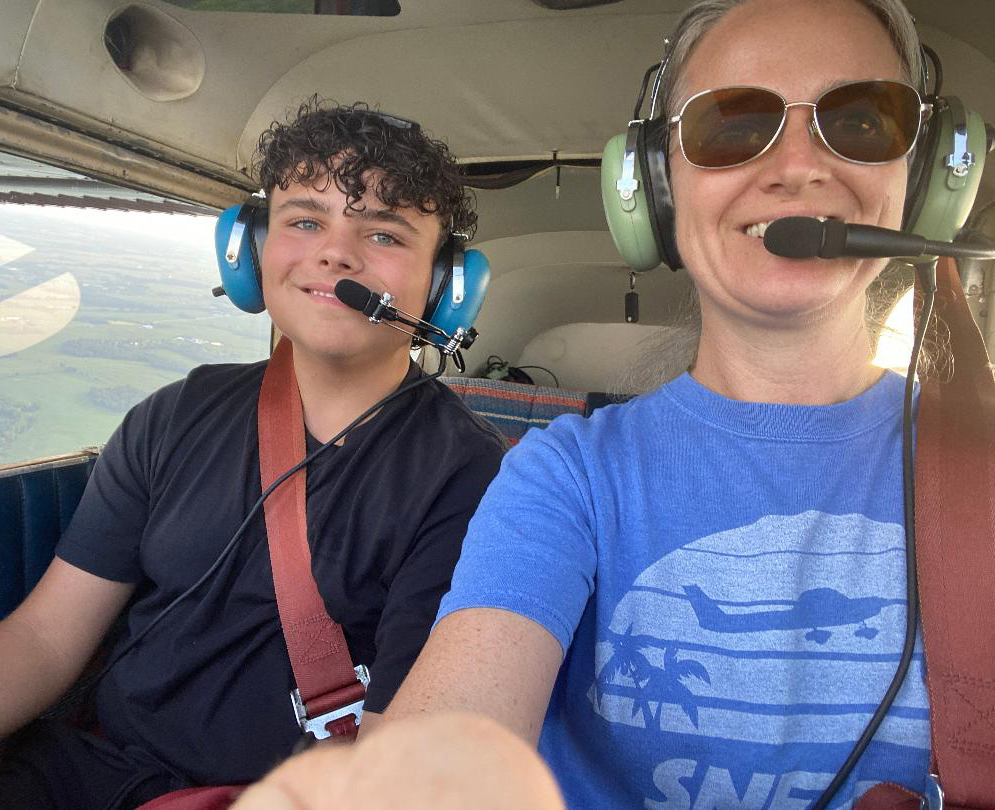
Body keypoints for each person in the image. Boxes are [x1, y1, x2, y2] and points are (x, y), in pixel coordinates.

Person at [371, 0, 942, 806]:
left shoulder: (981, 469)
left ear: (920, 173)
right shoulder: (566, 478)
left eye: (862, 120)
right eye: (733, 126)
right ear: (654, 183)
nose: (799, 167)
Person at [0, 100, 507, 808]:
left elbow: (395, 754)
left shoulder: (470, 476)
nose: (335, 252)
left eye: (383, 232)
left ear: (447, 289)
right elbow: (40, 644)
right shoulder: (173, 415)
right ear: (251, 250)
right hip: (78, 776)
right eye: (306, 220)